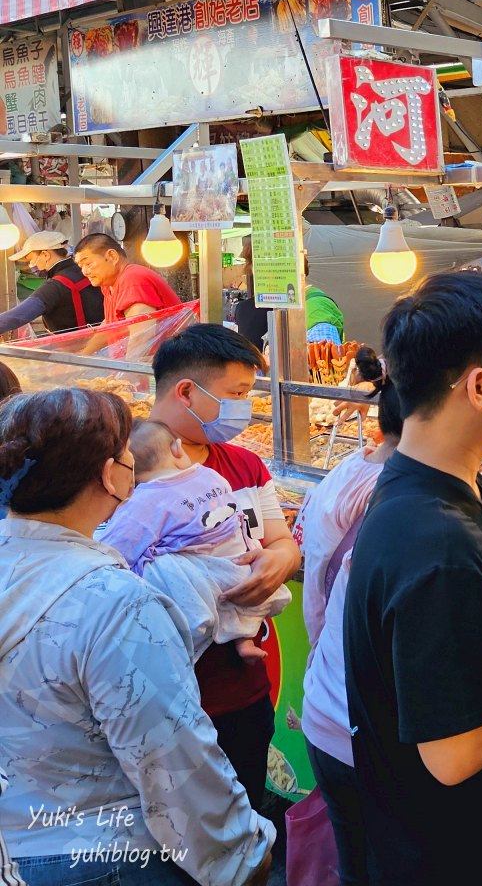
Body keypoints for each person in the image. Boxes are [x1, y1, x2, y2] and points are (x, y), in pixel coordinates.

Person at [0, 388, 274, 886]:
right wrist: (243, 855)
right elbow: (173, 761)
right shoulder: (116, 603)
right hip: (107, 858)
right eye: (127, 453)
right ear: (111, 475)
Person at [343, 272, 482, 885]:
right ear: (478, 385)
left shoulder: (444, 487)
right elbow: (455, 753)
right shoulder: (435, 545)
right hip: (460, 856)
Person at [147, 324, 300, 811]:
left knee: (244, 817)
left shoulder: (243, 465)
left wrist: (279, 561)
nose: (245, 407)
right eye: (235, 394)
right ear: (187, 391)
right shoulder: (125, 467)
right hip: (164, 701)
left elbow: (281, 541)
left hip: (243, 694)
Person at [298, 348, 403, 886]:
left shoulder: (344, 471)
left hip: (327, 702)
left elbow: (316, 582)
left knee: (355, 859)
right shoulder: (398, 501)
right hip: (367, 727)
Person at [101, 420, 291, 662]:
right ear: (178, 450)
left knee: (170, 574)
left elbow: (116, 548)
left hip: (201, 581)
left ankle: (195, 641)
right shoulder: (211, 475)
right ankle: (244, 641)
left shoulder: (143, 501)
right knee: (236, 606)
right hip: (242, 565)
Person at [0, 230, 104, 333]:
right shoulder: (83, 271)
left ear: (45, 255)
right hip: (102, 341)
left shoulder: (55, 286)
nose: (30, 264)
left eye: (31, 259)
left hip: (79, 346)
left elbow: (17, 317)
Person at [73, 233, 181, 322]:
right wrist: (86, 349)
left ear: (112, 256)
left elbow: (141, 339)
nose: (84, 272)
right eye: (81, 266)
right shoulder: (108, 286)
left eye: (88, 264)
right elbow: (109, 326)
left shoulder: (133, 280)